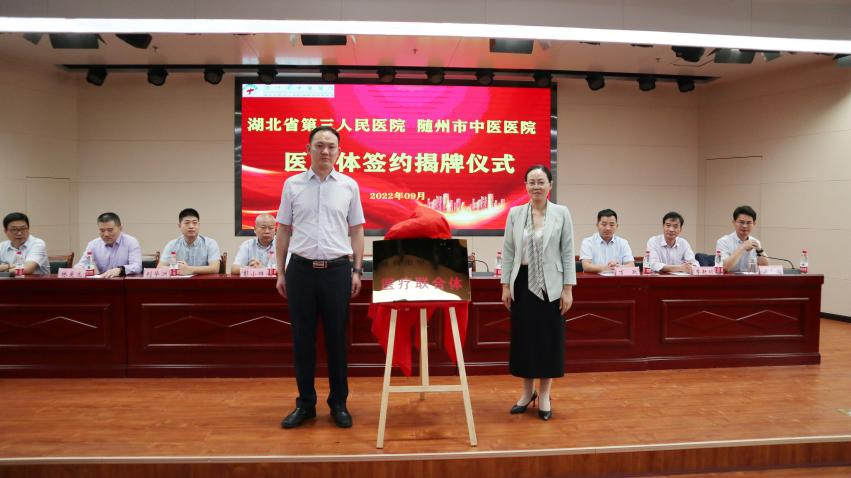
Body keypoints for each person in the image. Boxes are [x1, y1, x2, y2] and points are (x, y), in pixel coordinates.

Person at [275, 126, 365, 429]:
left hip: (337, 271)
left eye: (331, 146)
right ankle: (306, 404)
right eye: (319, 145)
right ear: (308, 149)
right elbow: (283, 229)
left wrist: (356, 270)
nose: (325, 151)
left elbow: (357, 230)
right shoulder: (292, 185)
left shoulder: (349, 186)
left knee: (337, 340)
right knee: (303, 340)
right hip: (300, 271)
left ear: (339, 151)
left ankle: (338, 403)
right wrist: (280, 271)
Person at [500, 165, 576, 421]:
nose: (536, 186)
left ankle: (544, 395)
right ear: (525, 186)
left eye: (541, 182)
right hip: (522, 283)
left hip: (551, 284)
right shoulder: (515, 213)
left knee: (548, 340)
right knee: (525, 340)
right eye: (531, 182)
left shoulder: (561, 213)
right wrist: (505, 285)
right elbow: (509, 251)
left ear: (550, 185)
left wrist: (568, 289)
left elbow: (567, 252)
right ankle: (526, 392)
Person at [76, 212, 142, 278]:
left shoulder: (131, 242)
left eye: (110, 230)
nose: (106, 234)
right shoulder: (93, 244)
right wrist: (80, 269)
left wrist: (120, 270)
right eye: (102, 230)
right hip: (103, 282)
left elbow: (137, 266)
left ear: (120, 228)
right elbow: (81, 264)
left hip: (124, 282)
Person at [159, 208, 221, 275]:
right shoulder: (172, 245)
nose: (191, 226)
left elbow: (215, 268)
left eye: (194, 223)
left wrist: (190, 269)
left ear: (199, 225)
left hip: (203, 281)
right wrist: (178, 268)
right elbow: (160, 267)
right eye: (187, 223)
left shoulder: (210, 243)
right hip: (179, 281)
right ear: (179, 226)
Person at [716, 205, 768, 273]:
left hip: (750, 278)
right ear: (734, 222)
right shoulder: (723, 241)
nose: (745, 226)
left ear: (754, 224)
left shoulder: (755, 242)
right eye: (741, 222)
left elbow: (764, 266)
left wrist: (760, 250)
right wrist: (743, 247)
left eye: (749, 223)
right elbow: (725, 267)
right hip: (729, 278)